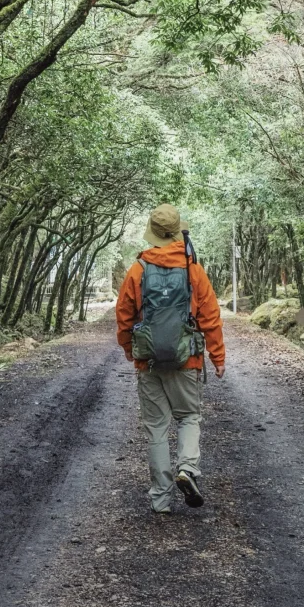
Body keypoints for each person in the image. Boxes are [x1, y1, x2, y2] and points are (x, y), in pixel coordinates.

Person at [116, 203, 225, 513]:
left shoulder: (138, 270)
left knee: (156, 428)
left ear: (152, 234)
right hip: (186, 360)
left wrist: (129, 349)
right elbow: (210, 317)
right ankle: (187, 469)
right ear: (178, 232)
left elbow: (124, 316)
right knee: (188, 417)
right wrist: (217, 356)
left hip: (148, 361)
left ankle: (161, 499)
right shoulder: (193, 270)